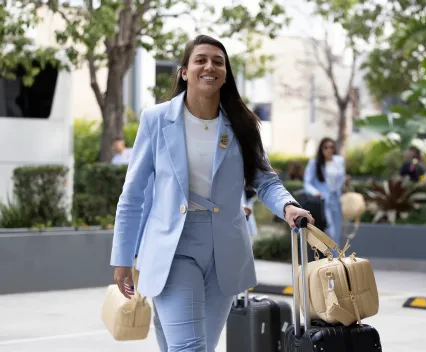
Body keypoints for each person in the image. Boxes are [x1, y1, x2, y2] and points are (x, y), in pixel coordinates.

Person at [111, 34, 314, 352]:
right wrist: (122, 256)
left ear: (226, 73)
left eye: (218, 61)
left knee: (198, 347)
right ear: (183, 71)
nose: (210, 66)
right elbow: (133, 194)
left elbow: (265, 180)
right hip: (173, 247)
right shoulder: (156, 120)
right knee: (189, 348)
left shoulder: (243, 124)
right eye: (200, 60)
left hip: (226, 250)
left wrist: (288, 206)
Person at [303, 137, 346, 245]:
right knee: (329, 230)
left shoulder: (339, 161)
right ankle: (327, 258)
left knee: (337, 230)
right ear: (321, 149)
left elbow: (341, 179)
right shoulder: (315, 163)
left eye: (331, 147)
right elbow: (307, 183)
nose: (329, 150)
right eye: (326, 147)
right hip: (323, 200)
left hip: (336, 199)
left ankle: (337, 258)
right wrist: (315, 192)